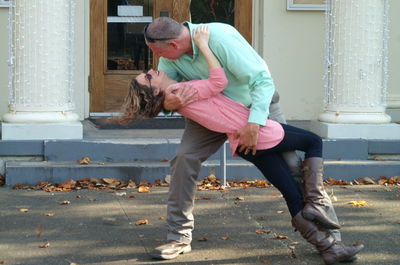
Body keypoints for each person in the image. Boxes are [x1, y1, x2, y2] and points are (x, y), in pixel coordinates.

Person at [122, 25, 364, 264]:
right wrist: (169, 106)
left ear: (173, 44)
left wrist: (255, 122)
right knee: (184, 159)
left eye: (159, 52)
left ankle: (331, 240)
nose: (158, 60)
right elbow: (155, 98)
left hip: (256, 106)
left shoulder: (220, 38)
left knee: (293, 167)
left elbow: (262, 79)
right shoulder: (168, 61)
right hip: (212, 114)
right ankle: (178, 238)